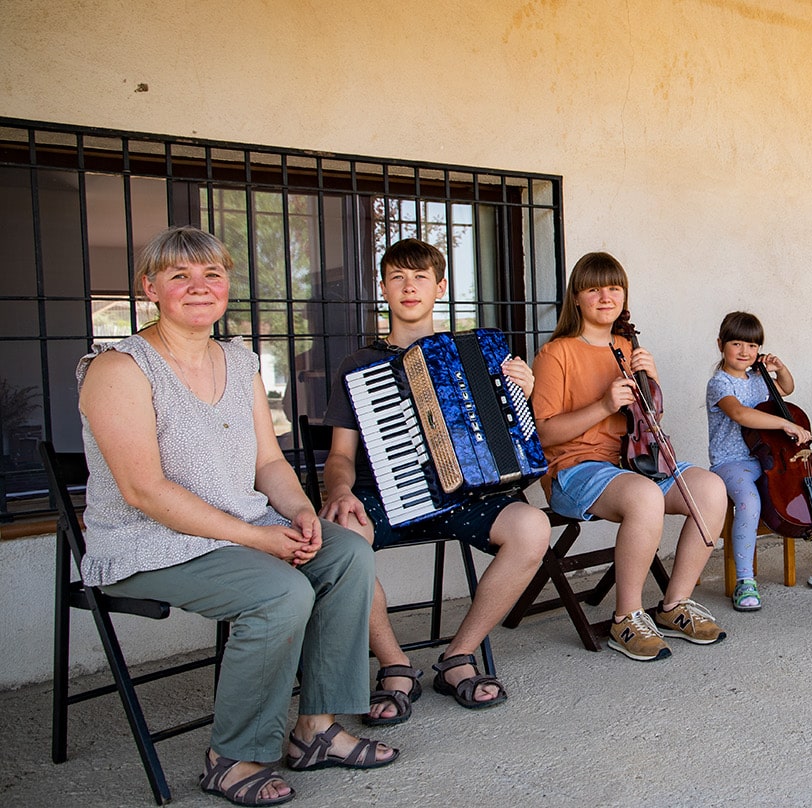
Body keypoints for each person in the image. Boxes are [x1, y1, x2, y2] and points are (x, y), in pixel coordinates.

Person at [77, 226, 395, 807]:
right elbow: (144, 491)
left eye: (212, 275)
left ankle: (316, 728)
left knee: (346, 551)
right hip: (149, 542)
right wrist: (258, 538)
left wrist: (301, 513)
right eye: (180, 276)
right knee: (279, 594)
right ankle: (234, 757)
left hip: (237, 529)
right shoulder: (119, 369)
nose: (200, 288)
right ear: (150, 287)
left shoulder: (239, 360)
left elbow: (267, 462)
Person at [319, 238, 549, 723]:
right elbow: (340, 456)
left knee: (532, 528)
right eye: (398, 277)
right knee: (343, 541)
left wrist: (521, 397)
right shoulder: (360, 365)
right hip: (383, 496)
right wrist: (339, 490)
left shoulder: (478, 355)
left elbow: (510, 438)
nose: (409, 287)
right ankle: (394, 664)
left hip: (462, 497)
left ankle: (457, 657)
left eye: (420, 277)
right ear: (382, 288)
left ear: (440, 287)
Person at [530, 251, 728, 661]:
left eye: (614, 288)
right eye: (594, 288)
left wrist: (652, 382)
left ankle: (674, 604)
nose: (606, 296)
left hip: (636, 463)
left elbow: (648, 419)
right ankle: (627, 616)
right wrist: (602, 406)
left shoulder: (627, 346)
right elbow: (544, 433)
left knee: (710, 488)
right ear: (577, 297)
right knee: (644, 496)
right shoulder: (557, 354)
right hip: (575, 471)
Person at [705, 311, 812, 612]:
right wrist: (784, 424)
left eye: (752, 346)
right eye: (737, 344)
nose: (745, 352)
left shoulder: (759, 379)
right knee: (749, 502)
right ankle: (745, 580)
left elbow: (786, 389)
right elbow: (740, 414)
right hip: (732, 462)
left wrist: (780, 369)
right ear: (721, 344)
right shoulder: (720, 383)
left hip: (770, 459)